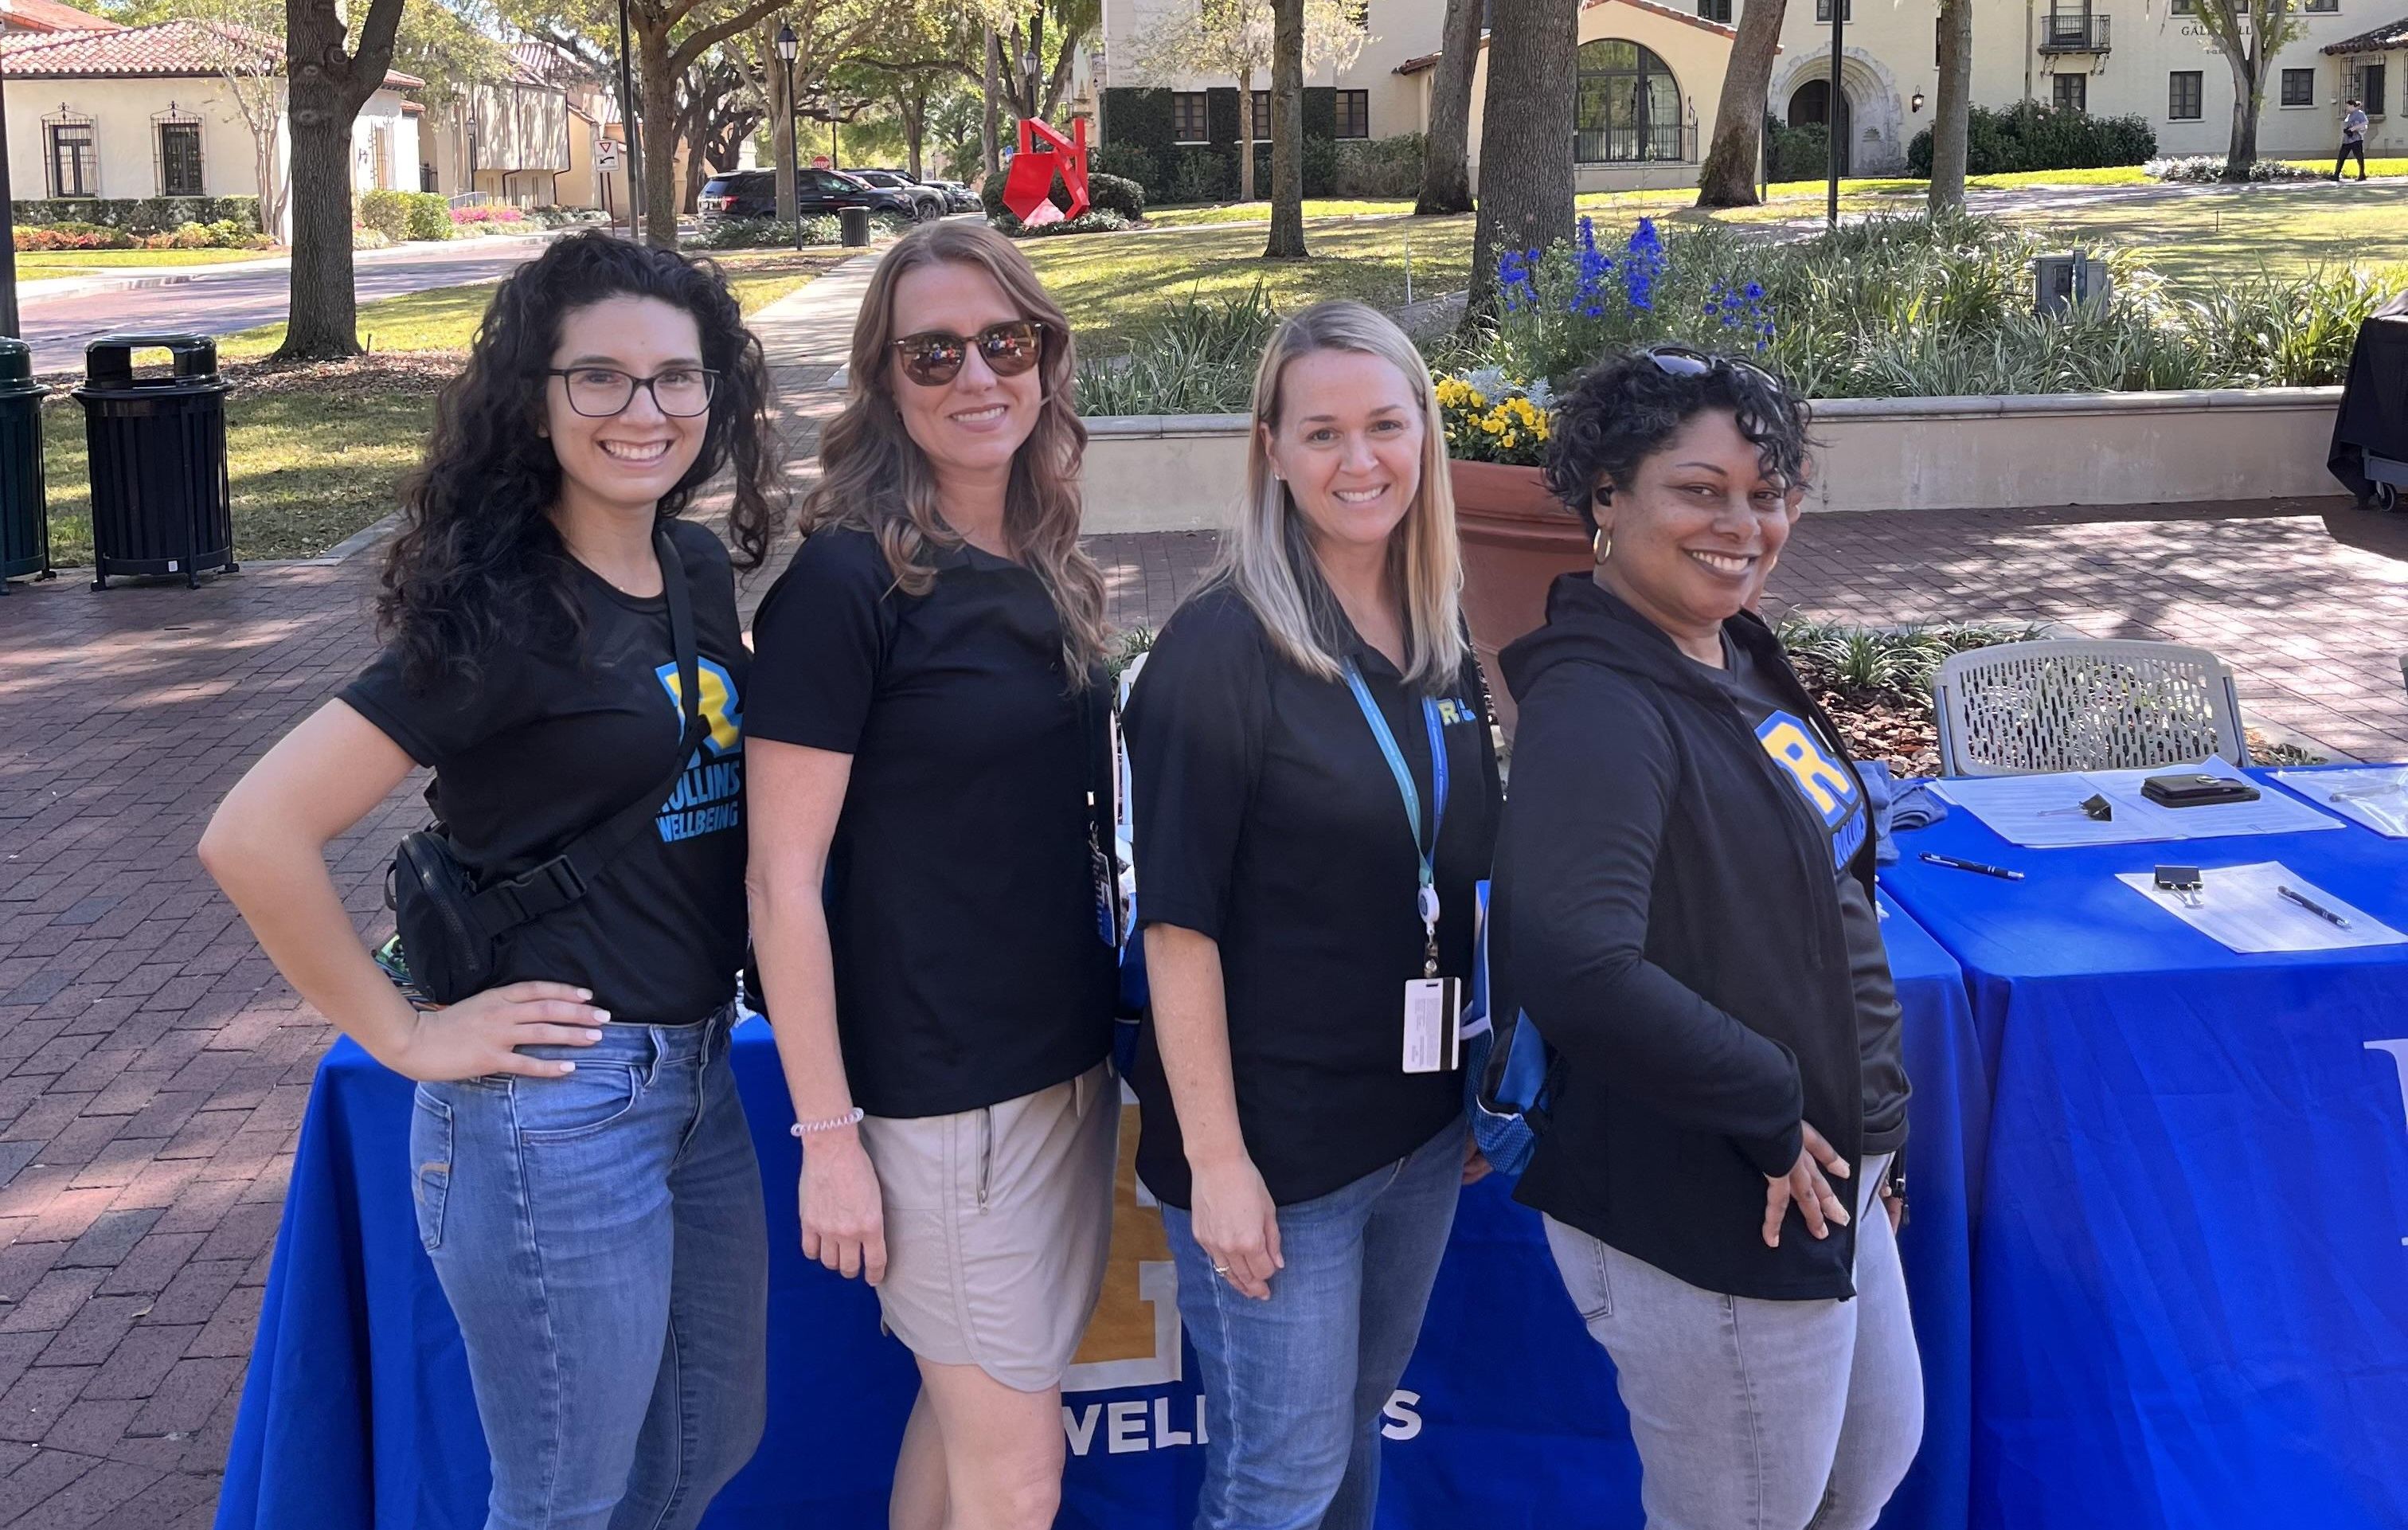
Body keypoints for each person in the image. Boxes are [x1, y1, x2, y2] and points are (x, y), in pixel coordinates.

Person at [198, 233, 786, 1530]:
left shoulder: (688, 566)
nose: (646, 411)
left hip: (697, 1080)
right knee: (563, 1498)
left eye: (676, 379)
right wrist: (402, 1029)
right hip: (552, 1115)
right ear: (535, 395)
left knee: (702, 1445)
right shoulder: (501, 613)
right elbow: (252, 832)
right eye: (601, 378)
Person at [1489, 346, 1920, 1530]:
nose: (1745, 522)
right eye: (1701, 489)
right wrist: (1773, 1102)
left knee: (1863, 1466)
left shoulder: (1730, 655)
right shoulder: (1599, 704)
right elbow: (1573, 959)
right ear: (1607, 499)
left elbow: (1825, 895)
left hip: (1833, 1166)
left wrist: (1878, 1134)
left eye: (1768, 490)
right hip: (1715, 1188)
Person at [744, 220, 1120, 1530]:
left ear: (1043, 355)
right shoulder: (844, 588)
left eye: (1001, 342)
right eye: (933, 353)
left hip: (1061, 1063)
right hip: (943, 1101)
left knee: (962, 1431)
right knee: (1017, 1478)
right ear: (884, 380)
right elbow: (778, 881)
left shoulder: (1041, 563)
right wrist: (828, 1137)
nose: (975, 376)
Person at [1124, 299, 1502, 1530]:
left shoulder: (1436, 629)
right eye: (1324, 432)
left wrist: (1476, 1081)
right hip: (1276, 1158)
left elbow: (1457, 876)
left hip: (1419, 1132)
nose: (1360, 462)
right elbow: (1177, 930)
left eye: (1386, 426)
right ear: (1273, 451)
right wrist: (1221, 1164)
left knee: (1348, 1445)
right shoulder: (1215, 654)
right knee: (1274, 1482)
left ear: (1426, 439)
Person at [2336, 98, 2370, 182]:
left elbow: (2365, 123)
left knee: (2359, 157)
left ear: (2352, 106)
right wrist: (2346, 130)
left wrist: (2353, 129)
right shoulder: (2349, 115)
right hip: (2347, 140)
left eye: (2347, 106)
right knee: (2341, 157)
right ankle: (2336, 175)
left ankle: (2362, 174)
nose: (2346, 108)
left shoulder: (2359, 114)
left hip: (2356, 140)